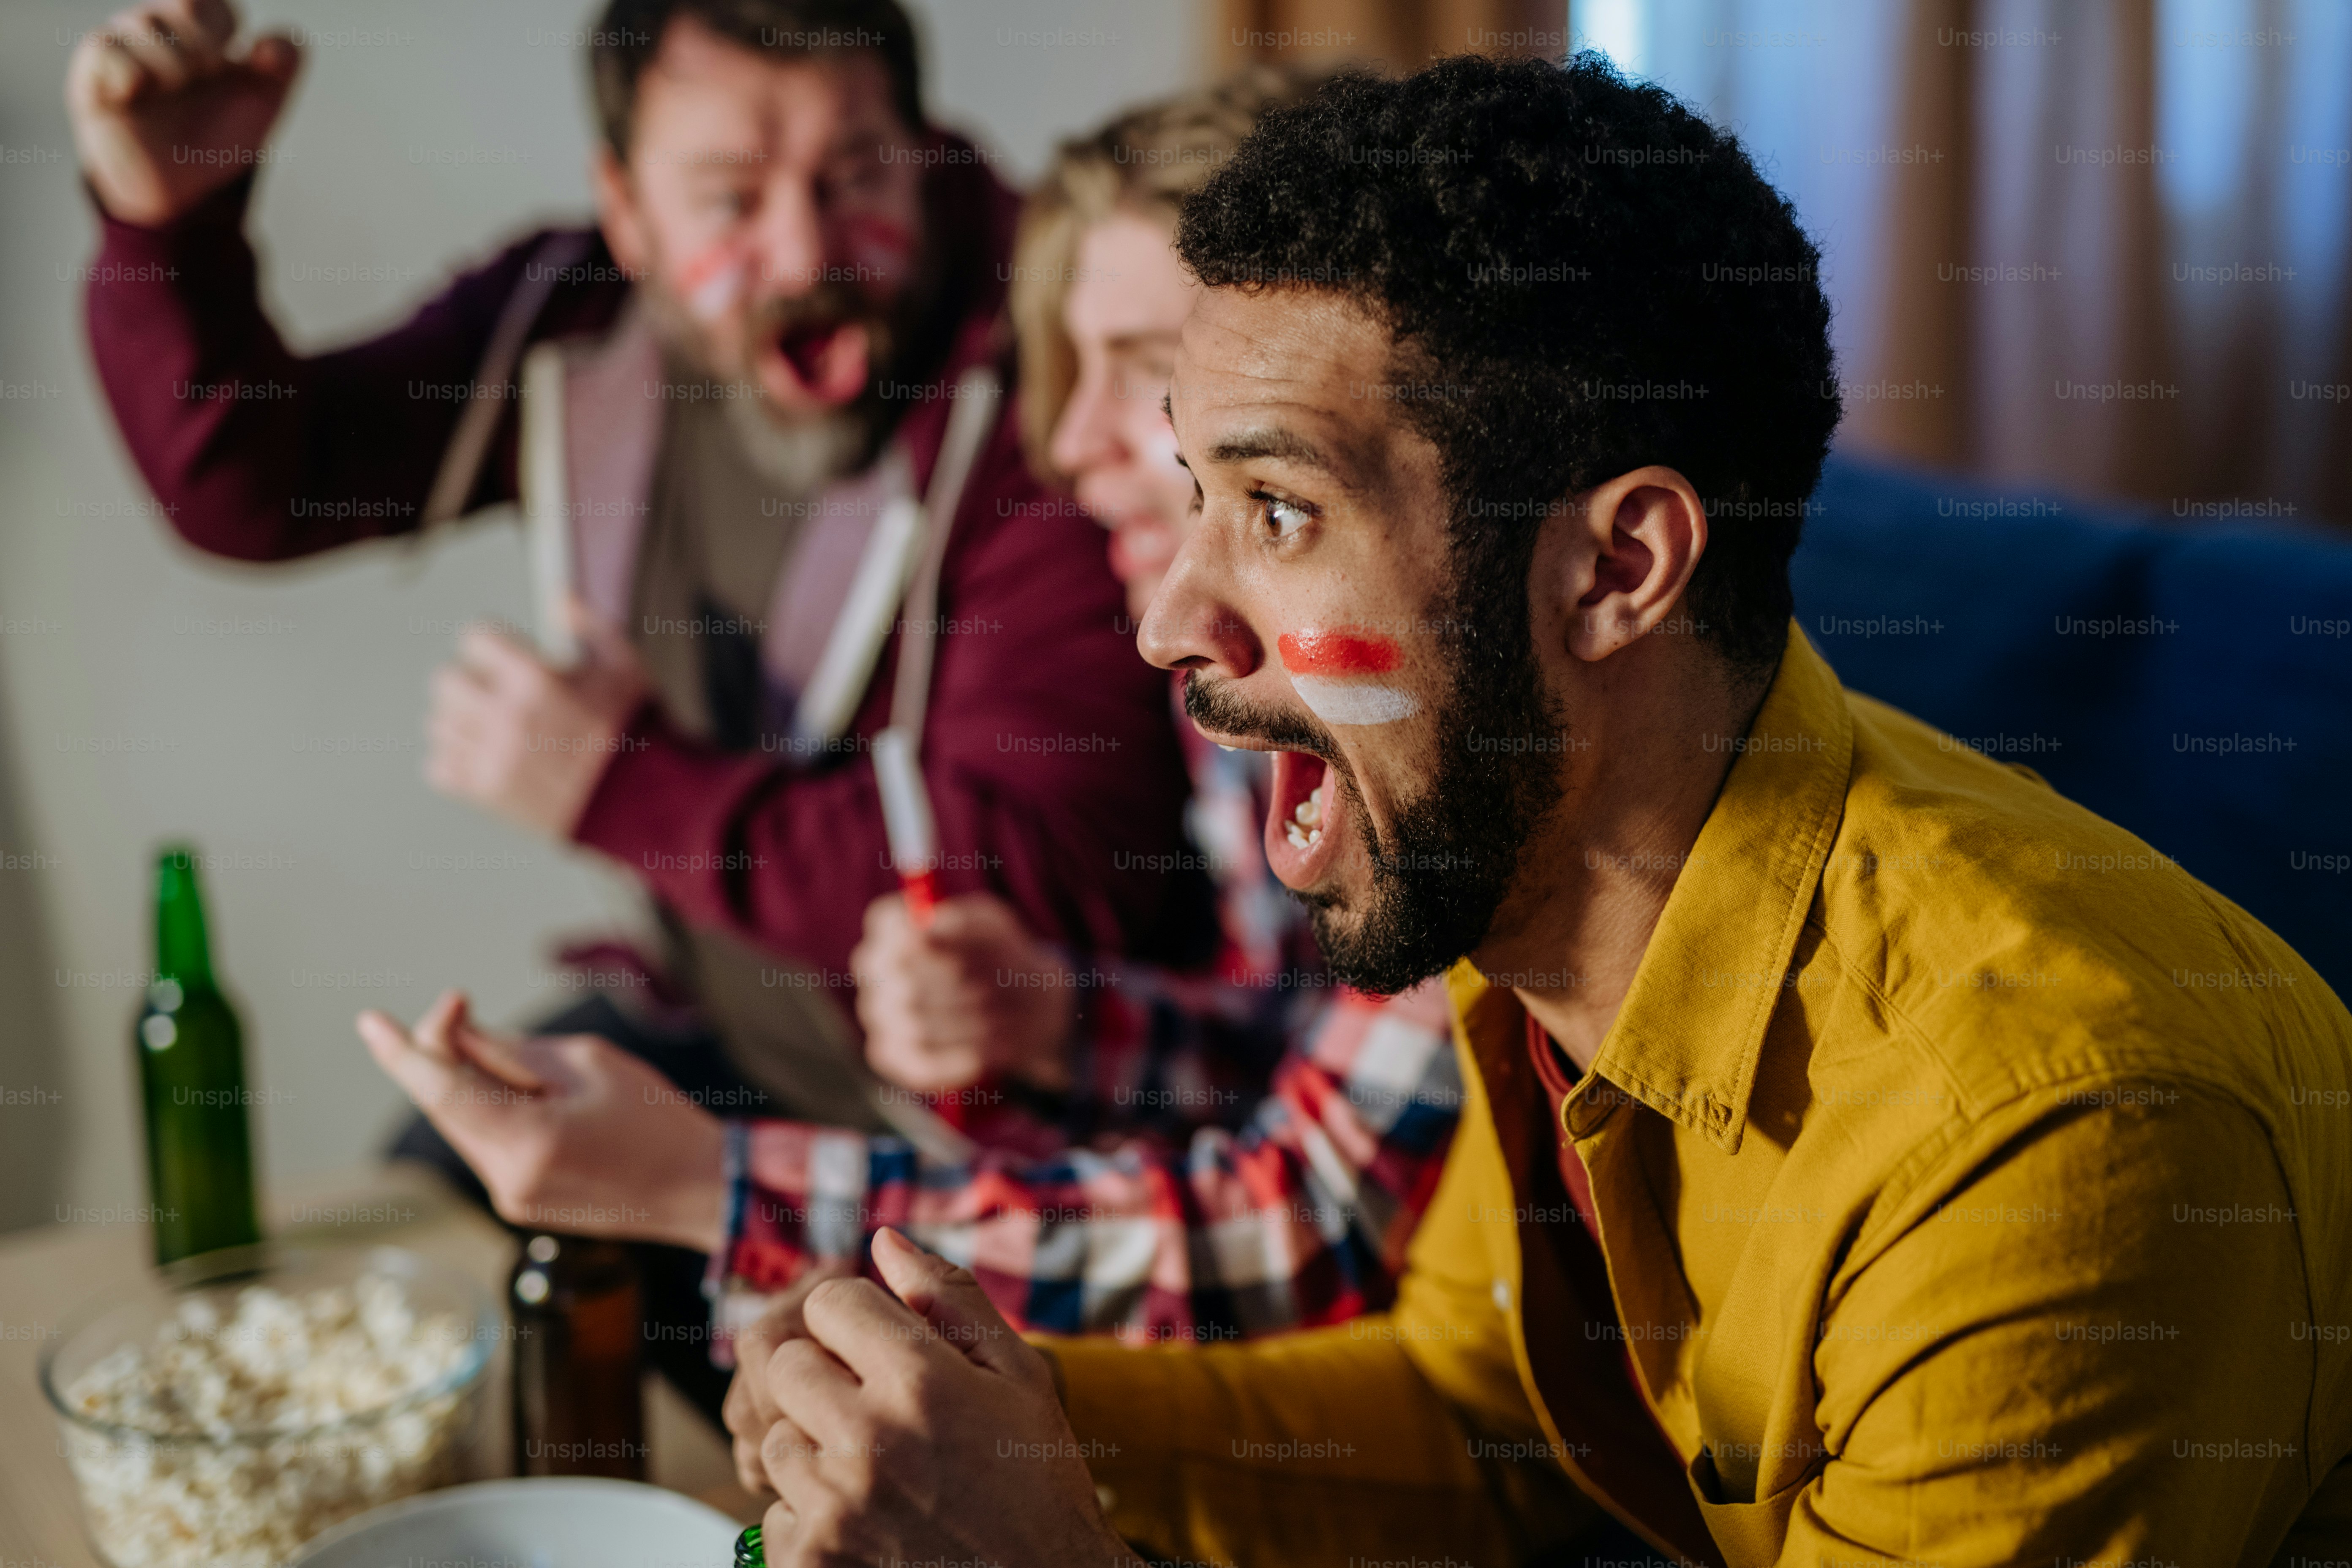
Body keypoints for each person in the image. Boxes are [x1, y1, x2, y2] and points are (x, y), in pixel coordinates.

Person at [714, 55, 2352, 1568]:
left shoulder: (2055, 1144)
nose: (1170, 623)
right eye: (1195, 493)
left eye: (1280, 510)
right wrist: (1000, 1424)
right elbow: (1470, 1404)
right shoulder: (1536, 857)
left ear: (1616, 570)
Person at [358, 71, 1466, 1361]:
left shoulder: (1411, 695)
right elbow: (1290, 1044)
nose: (1069, 446)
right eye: (1070, 371)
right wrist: (1054, 1016)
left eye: (1146, 372)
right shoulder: (1216, 657)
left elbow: (1311, 1222)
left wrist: (702, 1186)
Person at [68, 0, 1192, 1133]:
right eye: (731, 200)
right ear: (627, 212)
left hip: (978, 1129)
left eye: (857, 175)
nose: (805, 252)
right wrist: (170, 225)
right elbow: (254, 487)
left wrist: (625, 788)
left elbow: (1055, 877)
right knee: (430, 1181)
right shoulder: (574, 317)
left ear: (927, 153)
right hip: (712, 1026)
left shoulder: (1048, 382)